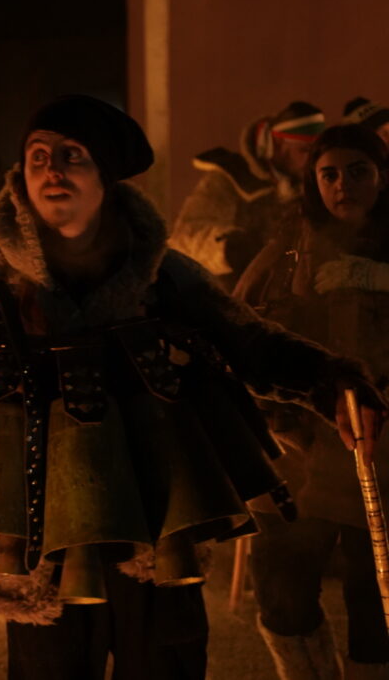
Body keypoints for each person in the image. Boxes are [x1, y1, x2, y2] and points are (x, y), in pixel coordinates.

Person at [0, 95, 385, 680]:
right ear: (20, 177)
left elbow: (250, 342)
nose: (51, 170)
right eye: (38, 156)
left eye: (71, 155)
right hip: (35, 555)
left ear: (106, 175)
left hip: (157, 537)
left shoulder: (161, 278)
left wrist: (331, 382)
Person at [234, 123, 389, 679]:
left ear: (383, 176)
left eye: (358, 171)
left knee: (373, 597)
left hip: (381, 448)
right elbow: (242, 328)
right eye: (329, 174)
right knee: (282, 590)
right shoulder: (288, 247)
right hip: (301, 448)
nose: (343, 185)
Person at [169, 102, 325, 288]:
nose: (312, 161)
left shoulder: (319, 182)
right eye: (305, 151)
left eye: (317, 154)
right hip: (232, 296)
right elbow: (185, 238)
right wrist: (230, 247)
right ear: (277, 144)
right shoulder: (229, 180)